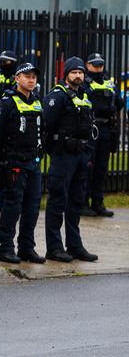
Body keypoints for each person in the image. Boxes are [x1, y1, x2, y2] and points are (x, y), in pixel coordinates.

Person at [43, 57, 98, 263]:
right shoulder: (58, 96)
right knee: (58, 200)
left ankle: (74, 246)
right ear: (66, 74)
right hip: (63, 154)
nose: (78, 75)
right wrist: (53, 149)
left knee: (76, 202)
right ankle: (54, 247)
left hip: (81, 155)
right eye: (74, 72)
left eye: (81, 72)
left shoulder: (85, 96)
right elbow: (45, 124)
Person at [0, 63, 45, 264]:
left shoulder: (37, 101)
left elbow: (43, 129)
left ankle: (26, 248)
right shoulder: (7, 102)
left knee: (32, 208)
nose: (31, 80)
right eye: (27, 76)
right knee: (12, 207)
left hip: (33, 162)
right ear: (17, 78)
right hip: (14, 163)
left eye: (34, 77)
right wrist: (3, 160)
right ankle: (5, 248)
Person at [81, 53, 123, 217]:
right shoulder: (84, 84)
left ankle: (98, 202)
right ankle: (83, 202)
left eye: (100, 65)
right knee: (87, 166)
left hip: (106, 129)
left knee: (101, 167)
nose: (98, 68)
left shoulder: (109, 84)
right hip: (91, 128)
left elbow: (118, 103)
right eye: (95, 65)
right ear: (88, 65)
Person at [0, 50, 19, 213]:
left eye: (5, 62)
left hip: (13, 128)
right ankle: (0, 200)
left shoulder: (19, 79)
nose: (1, 65)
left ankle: (10, 200)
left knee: (11, 168)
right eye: (0, 62)